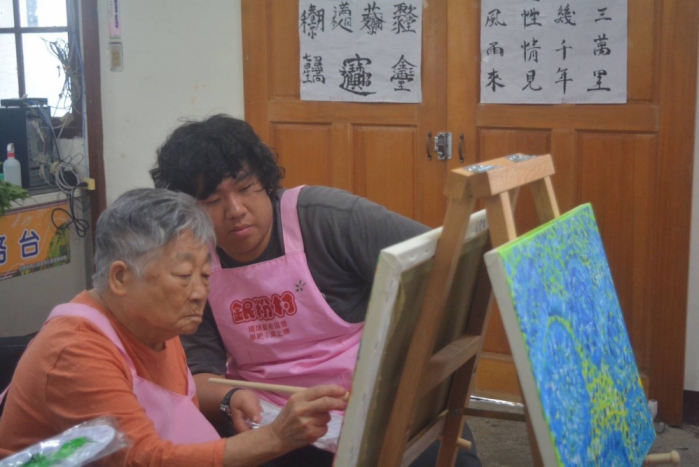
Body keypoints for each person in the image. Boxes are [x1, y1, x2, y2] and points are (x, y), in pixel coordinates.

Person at [151, 115, 481, 466]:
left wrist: (405, 369)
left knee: (449, 460)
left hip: (374, 397)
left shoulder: (328, 217)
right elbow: (199, 377)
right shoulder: (192, 262)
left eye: (246, 188)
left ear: (266, 181)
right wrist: (230, 397)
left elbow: (450, 263)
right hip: (271, 412)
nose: (236, 210)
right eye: (213, 201)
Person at [0, 189, 348, 467]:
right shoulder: (75, 349)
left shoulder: (157, 326)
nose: (199, 293)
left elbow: (179, 422)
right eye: (183, 276)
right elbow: (140, 459)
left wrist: (229, 400)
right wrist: (276, 437)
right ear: (120, 277)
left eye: (205, 275)